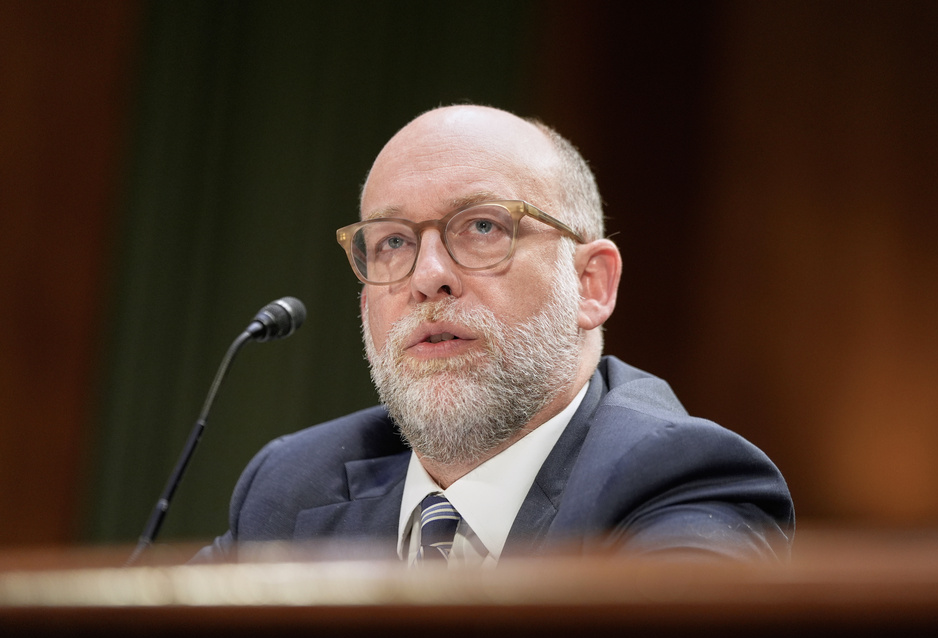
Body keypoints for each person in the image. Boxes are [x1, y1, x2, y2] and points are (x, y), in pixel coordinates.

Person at [197, 104, 794, 565]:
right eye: (393, 242)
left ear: (591, 285)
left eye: (483, 227)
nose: (428, 278)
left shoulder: (680, 483)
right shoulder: (291, 485)